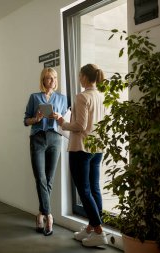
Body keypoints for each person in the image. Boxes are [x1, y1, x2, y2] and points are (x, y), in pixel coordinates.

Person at [57, 64, 108, 247]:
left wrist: (62, 122)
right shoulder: (101, 96)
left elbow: (80, 126)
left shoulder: (82, 96)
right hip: (97, 148)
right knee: (94, 188)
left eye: (80, 75)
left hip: (81, 148)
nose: (79, 78)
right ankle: (91, 228)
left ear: (85, 77)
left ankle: (99, 232)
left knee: (84, 190)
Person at [24, 67, 67, 236]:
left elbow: (65, 121)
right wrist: (37, 118)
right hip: (38, 138)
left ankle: (40, 214)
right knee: (40, 177)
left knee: (49, 179)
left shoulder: (63, 99)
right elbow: (26, 120)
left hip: (55, 139)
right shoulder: (34, 97)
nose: (52, 81)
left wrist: (58, 117)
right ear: (43, 80)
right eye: (49, 78)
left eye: (54, 78)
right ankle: (49, 216)